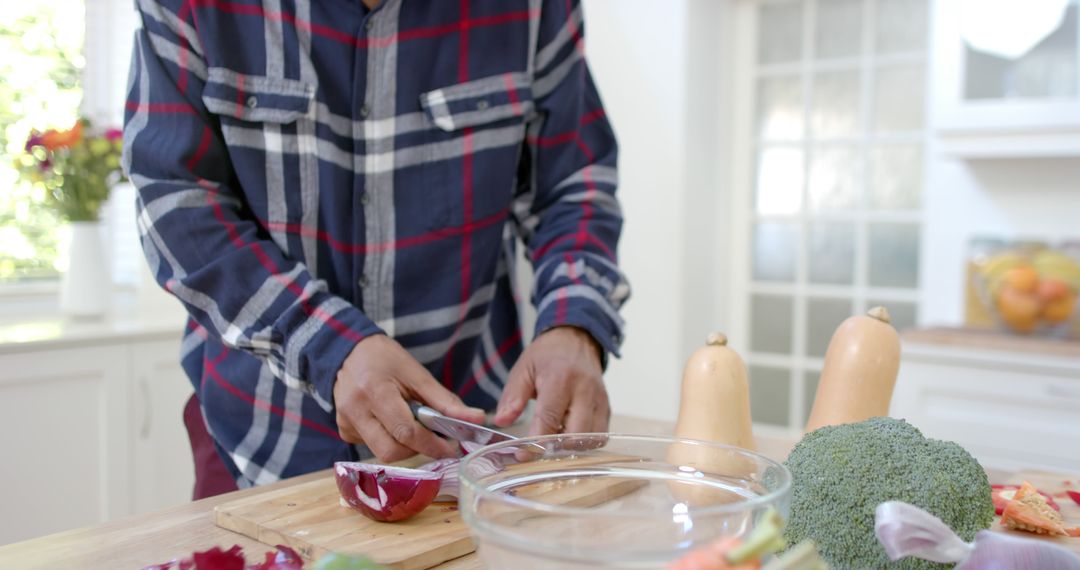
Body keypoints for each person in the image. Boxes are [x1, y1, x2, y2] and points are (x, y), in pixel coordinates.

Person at [123, 0, 628, 497]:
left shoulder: (536, 8)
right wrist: (329, 346)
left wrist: (575, 323)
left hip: (472, 452)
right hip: (257, 443)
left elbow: (573, 184)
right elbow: (176, 204)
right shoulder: (190, 6)